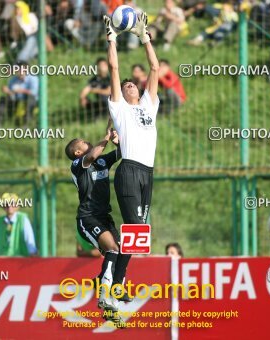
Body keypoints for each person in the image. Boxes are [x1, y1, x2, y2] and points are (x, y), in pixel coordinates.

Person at [104, 11, 159, 316]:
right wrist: (112, 39)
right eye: (125, 88)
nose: (130, 88)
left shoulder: (150, 105)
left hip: (147, 174)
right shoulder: (121, 111)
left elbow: (154, 66)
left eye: (132, 86)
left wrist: (144, 37)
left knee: (139, 234)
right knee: (135, 229)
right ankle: (116, 284)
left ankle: (116, 282)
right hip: (128, 171)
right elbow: (114, 68)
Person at [65, 122, 131, 326]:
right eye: (83, 143)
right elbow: (92, 155)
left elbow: (121, 153)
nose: (87, 143)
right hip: (88, 217)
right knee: (112, 248)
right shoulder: (78, 165)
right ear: (78, 151)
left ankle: (112, 306)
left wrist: (118, 142)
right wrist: (105, 137)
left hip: (105, 216)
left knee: (120, 252)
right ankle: (103, 295)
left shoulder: (101, 162)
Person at [0, 62, 38, 127]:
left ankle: (25, 124)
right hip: (17, 99)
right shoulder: (13, 79)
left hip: (31, 99)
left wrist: (20, 90)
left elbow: (33, 92)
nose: (20, 72)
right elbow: (12, 93)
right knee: (3, 99)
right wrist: (7, 91)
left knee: (30, 98)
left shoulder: (33, 78)